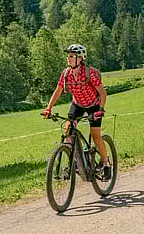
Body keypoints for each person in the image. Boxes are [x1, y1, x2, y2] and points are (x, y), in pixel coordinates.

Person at [42, 44, 110, 180]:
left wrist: (101, 110)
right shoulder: (66, 74)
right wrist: (48, 108)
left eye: (72, 56)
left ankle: (106, 164)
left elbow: (102, 93)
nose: (69, 59)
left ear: (80, 58)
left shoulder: (89, 73)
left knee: (95, 135)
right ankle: (75, 162)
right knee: (67, 131)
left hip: (93, 105)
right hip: (77, 104)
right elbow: (58, 90)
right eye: (68, 56)